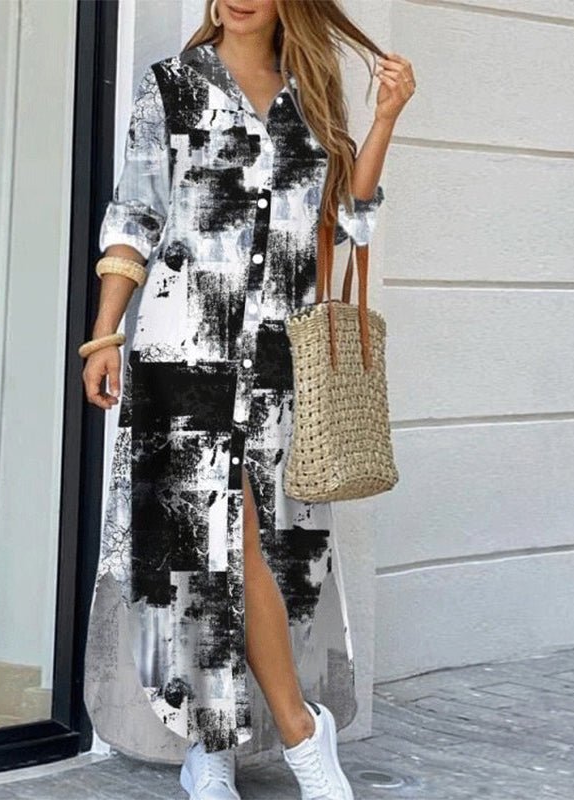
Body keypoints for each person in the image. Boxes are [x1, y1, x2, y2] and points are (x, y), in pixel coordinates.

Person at [80, 1, 415, 798]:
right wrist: (104, 334)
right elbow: (135, 213)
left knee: (256, 546)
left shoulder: (312, 94)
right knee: (198, 547)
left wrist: (385, 118)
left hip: (278, 354)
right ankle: (266, 739)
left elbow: (346, 220)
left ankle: (243, 736)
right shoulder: (172, 86)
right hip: (181, 346)